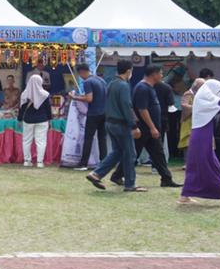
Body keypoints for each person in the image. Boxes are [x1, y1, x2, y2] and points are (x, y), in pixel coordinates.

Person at [181, 80, 220, 207]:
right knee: (210, 166)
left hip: (199, 135)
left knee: (195, 166)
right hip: (202, 137)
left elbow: (219, 108)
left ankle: (184, 196)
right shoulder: (204, 98)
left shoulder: (201, 98)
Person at [87, 60, 144, 192]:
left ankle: (96, 174)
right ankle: (130, 184)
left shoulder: (111, 84)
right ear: (129, 71)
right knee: (130, 154)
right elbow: (126, 106)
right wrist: (134, 125)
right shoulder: (123, 86)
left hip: (110, 122)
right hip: (121, 124)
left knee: (117, 152)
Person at [126, 65, 180, 188]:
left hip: (151, 128)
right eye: (160, 73)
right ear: (154, 74)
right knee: (134, 153)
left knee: (158, 154)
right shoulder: (142, 88)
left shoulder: (150, 87)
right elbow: (142, 109)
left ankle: (166, 178)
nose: (162, 76)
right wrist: (152, 127)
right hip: (145, 128)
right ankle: (119, 175)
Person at [69, 62, 108, 170]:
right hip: (104, 112)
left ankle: (83, 163)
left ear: (82, 72)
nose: (80, 77)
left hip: (94, 113)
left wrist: (75, 97)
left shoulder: (88, 82)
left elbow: (89, 99)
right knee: (102, 138)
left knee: (88, 138)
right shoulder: (101, 80)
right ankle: (104, 162)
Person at [18, 73, 52, 167]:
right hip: (42, 120)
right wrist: (50, 120)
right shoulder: (45, 94)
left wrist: (19, 119)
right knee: (41, 141)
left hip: (28, 120)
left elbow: (21, 109)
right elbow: (48, 109)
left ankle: (26, 161)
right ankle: (40, 162)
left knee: (26, 140)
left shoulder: (25, 94)